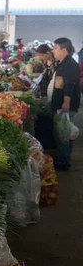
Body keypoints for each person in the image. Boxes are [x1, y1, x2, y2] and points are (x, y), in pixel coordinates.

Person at [50, 38, 81, 170]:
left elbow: (69, 85)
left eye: (55, 48)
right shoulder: (64, 63)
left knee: (63, 133)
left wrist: (66, 103)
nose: (53, 51)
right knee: (64, 132)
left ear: (64, 50)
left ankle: (63, 161)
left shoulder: (69, 65)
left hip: (66, 105)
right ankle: (64, 157)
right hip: (62, 104)